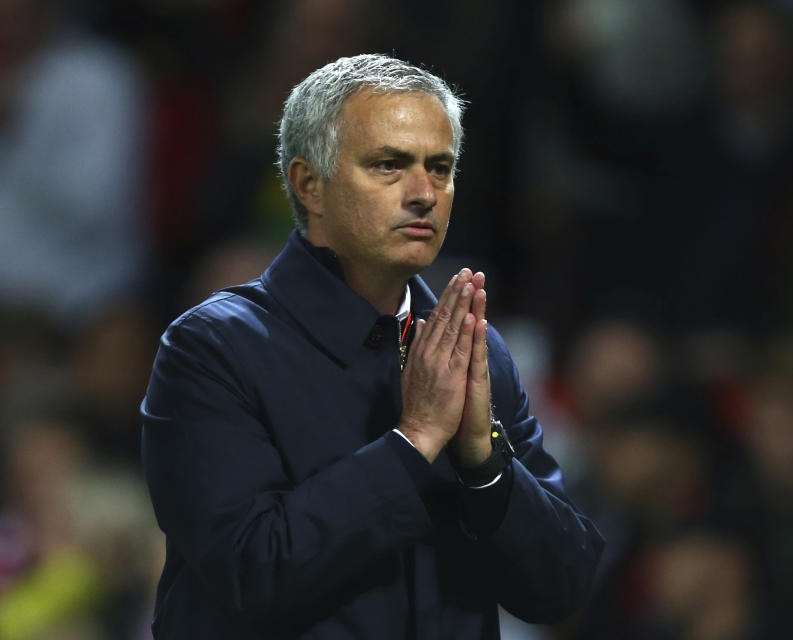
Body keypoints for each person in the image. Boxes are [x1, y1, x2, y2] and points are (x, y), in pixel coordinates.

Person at [140, 54, 604, 638]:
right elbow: (250, 574)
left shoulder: (474, 353)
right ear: (310, 185)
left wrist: (484, 463)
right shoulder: (212, 348)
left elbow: (562, 587)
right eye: (389, 165)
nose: (424, 194)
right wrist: (414, 443)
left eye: (440, 168)